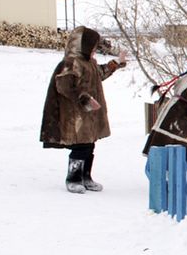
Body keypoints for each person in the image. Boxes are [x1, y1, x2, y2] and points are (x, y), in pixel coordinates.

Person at [40, 26, 128, 194]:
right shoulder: (71, 63)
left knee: (90, 145)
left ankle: (86, 177)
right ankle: (73, 178)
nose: (95, 50)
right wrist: (85, 99)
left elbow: (99, 74)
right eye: (93, 46)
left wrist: (115, 63)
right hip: (75, 114)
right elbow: (64, 86)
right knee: (81, 146)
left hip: (89, 114)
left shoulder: (89, 63)